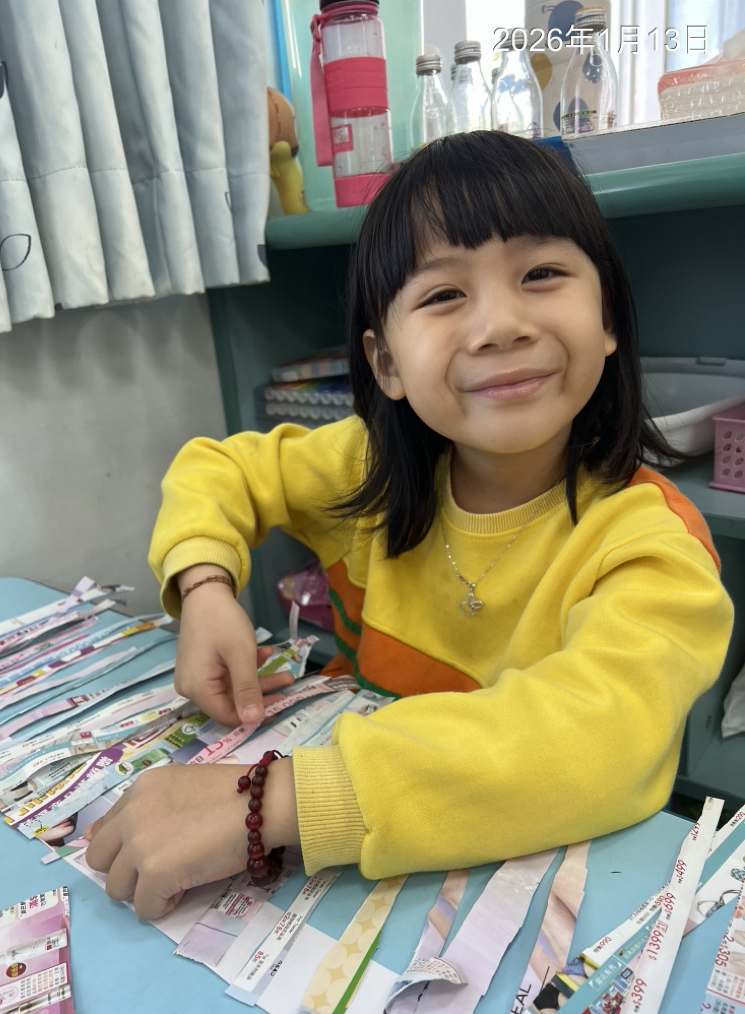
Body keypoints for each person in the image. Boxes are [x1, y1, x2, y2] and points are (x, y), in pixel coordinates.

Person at [84, 131, 733, 921]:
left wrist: (268, 802)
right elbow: (220, 469)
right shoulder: (370, 469)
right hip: (365, 880)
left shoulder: (651, 542)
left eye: (541, 274)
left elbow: (594, 743)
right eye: (443, 295)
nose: (500, 326)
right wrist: (205, 586)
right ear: (386, 362)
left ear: (607, 319)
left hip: (533, 891)